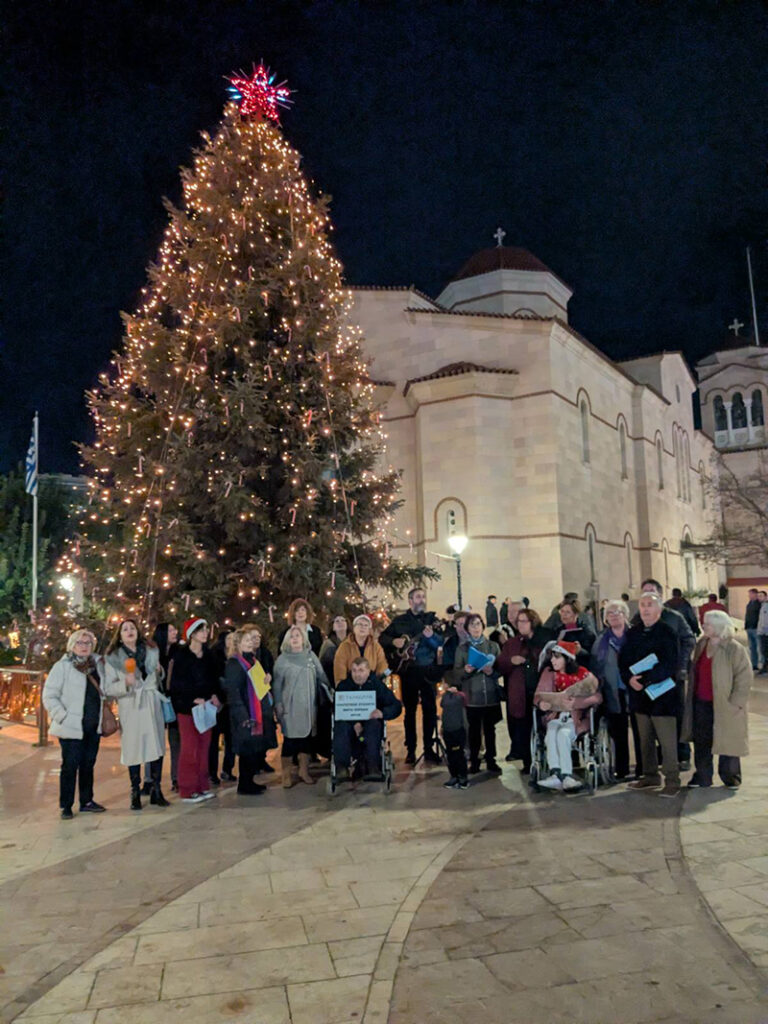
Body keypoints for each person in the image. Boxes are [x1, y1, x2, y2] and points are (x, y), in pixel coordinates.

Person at [42, 629, 115, 820]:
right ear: (72, 645)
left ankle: (86, 801)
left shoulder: (98, 665)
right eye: (80, 643)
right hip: (71, 727)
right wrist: (62, 716)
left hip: (93, 726)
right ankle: (66, 805)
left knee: (88, 764)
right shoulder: (63, 667)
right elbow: (49, 695)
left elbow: (107, 688)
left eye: (88, 643)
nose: (84, 647)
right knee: (70, 766)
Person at [619, 592, 681, 797]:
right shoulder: (634, 632)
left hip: (662, 694)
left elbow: (671, 662)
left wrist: (646, 680)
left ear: (659, 609)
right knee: (644, 739)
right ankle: (650, 775)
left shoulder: (667, 632)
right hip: (639, 696)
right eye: (643, 605)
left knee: (666, 741)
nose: (645, 609)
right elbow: (624, 659)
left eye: (650, 605)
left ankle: (672, 779)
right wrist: (629, 678)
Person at [105, 619, 169, 811]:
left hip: (150, 702)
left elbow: (158, 679)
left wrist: (159, 671)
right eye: (125, 629)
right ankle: (135, 791)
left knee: (156, 744)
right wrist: (125, 682)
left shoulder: (150, 651)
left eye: (132, 628)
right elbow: (108, 688)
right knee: (133, 748)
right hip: (131, 705)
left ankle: (156, 789)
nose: (129, 631)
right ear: (120, 635)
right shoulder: (113, 657)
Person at [683, 611, 752, 789]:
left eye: (708, 624)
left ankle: (731, 777)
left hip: (725, 704)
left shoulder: (734, 648)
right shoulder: (702, 644)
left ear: (720, 626)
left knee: (727, 740)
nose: (704, 626)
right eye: (704, 623)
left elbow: (744, 677)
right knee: (702, 740)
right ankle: (703, 776)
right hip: (701, 702)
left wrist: (737, 701)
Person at [634, 578, 695, 771]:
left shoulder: (674, 617)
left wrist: (681, 665)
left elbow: (688, 640)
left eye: (651, 591)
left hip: (673, 676)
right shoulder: (638, 618)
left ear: (660, 595)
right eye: (644, 591)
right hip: (649, 678)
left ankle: (682, 754)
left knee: (676, 715)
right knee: (654, 718)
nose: (647, 595)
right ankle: (661, 758)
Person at [379, 587, 443, 765]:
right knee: (410, 711)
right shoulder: (400, 622)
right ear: (410, 601)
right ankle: (411, 749)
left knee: (430, 710)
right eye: (417, 597)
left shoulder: (432, 620)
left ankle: (429, 748)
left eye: (423, 597)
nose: (421, 600)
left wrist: (431, 637)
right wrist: (394, 641)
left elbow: (440, 642)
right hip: (408, 671)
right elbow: (382, 638)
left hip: (428, 671)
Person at [533, 640, 601, 791]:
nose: (552, 660)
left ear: (567, 658)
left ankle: (566, 775)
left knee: (563, 735)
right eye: (552, 657)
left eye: (557, 657)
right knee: (550, 733)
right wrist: (541, 704)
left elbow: (597, 697)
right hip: (555, 717)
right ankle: (555, 773)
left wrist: (577, 702)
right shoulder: (548, 673)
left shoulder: (583, 674)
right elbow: (538, 695)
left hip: (576, 718)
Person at [169, 618, 221, 804]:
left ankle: (202, 785)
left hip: (206, 708)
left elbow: (214, 679)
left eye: (206, 629)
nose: (205, 633)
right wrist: (192, 699)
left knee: (204, 747)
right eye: (201, 630)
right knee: (190, 748)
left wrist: (214, 695)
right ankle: (187, 788)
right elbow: (176, 685)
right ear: (192, 633)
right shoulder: (181, 656)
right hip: (187, 710)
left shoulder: (209, 655)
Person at [273, 625, 331, 787]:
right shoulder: (282, 660)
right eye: (292, 636)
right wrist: (278, 704)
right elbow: (277, 685)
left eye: (298, 635)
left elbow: (321, 676)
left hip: (308, 706)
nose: (295, 638)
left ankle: (303, 771)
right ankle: (286, 774)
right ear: (287, 640)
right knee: (290, 741)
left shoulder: (311, 656)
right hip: (289, 707)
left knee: (306, 740)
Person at [224, 625, 278, 795]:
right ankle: (244, 784)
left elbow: (260, 683)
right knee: (246, 750)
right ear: (238, 644)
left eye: (251, 640)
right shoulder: (234, 663)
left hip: (257, 710)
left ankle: (250, 780)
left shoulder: (253, 660)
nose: (250, 643)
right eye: (246, 640)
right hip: (245, 713)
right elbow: (234, 691)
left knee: (254, 749)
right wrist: (243, 716)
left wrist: (266, 678)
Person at [496, 607, 549, 769]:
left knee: (543, 726)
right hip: (520, 691)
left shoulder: (543, 641)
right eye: (519, 621)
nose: (520, 624)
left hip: (541, 690)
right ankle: (528, 762)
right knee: (523, 728)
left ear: (532, 622)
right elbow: (500, 664)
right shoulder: (512, 643)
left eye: (524, 621)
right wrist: (511, 661)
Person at [333, 656, 402, 780]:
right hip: (349, 727)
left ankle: (373, 766)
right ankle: (341, 768)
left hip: (371, 726)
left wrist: (382, 713)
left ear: (368, 671)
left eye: (361, 670)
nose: (357, 674)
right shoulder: (344, 686)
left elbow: (396, 706)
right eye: (354, 670)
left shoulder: (377, 686)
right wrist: (354, 722)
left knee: (373, 725)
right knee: (341, 726)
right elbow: (337, 709)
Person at [454, 613, 502, 774]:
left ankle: (491, 759)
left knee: (490, 729)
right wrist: (466, 671)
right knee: (474, 730)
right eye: (472, 625)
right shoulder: (462, 649)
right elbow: (457, 673)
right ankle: (474, 761)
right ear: (467, 629)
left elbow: (501, 669)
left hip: (490, 694)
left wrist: (492, 671)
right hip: (472, 695)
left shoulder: (493, 646)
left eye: (478, 624)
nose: (476, 628)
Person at [590, 599, 631, 779]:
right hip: (612, 691)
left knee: (641, 731)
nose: (614, 616)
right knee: (618, 732)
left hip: (635, 689)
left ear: (625, 615)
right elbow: (596, 667)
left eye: (617, 612)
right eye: (609, 613)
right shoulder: (601, 641)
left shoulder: (634, 636)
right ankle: (621, 769)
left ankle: (644, 769)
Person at [153, 622, 180, 792]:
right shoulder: (152, 653)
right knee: (155, 741)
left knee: (176, 740)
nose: (175, 632)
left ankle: (176, 777)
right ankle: (151, 780)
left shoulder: (179, 651)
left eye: (174, 629)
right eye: (170, 630)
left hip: (175, 700)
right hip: (156, 699)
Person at [207, 628, 236, 785]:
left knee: (231, 740)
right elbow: (213, 679)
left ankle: (228, 769)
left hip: (232, 704)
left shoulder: (237, 657)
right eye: (229, 639)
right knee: (214, 740)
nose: (232, 642)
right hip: (218, 704)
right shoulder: (214, 657)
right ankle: (212, 772)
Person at [333, 614, 388, 684]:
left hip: (371, 683)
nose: (363, 627)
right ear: (354, 628)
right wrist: (341, 687)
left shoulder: (376, 647)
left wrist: (379, 681)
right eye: (360, 624)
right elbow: (339, 669)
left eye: (366, 625)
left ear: (369, 630)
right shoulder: (344, 647)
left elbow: (382, 664)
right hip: (350, 684)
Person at [552, 600, 596, 667]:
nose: (564, 615)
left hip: (581, 667)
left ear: (576, 614)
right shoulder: (557, 631)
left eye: (568, 612)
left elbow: (593, 655)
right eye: (562, 611)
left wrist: (580, 651)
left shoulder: (586, 632)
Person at [319, 615, 348, 682]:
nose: (340, 622)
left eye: (343, 620)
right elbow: (322, 664)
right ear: (333, 627)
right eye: (337, 621)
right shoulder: (328, 644)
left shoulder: (352, 642)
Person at [744, 588, 762, 672]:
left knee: (759, 647)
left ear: (755, 594)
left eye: (750, 594)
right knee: (752, 647)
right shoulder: (749, 604)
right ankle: (754, 664)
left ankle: (761, 663)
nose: (749, 596)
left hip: (756, 628)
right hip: (749, 627)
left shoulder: (759, 604)